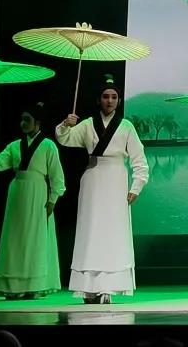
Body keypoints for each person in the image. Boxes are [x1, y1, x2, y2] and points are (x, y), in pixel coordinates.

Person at [56, 74, 149, 304]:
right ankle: (88, 288)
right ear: (99, 99)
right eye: (106, 97)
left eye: (114, 97)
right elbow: (65, 139)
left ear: (119, 101)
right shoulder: (87, 124)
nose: (110, 101)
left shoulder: (126, 126)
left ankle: (109, 287)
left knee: (113, 232)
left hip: (116, 180)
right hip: (93, 180)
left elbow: (140, 161)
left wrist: (136, 186)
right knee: (91, 231)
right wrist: (66, 124)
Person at [0, 101, 65, 299]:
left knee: (35, 239)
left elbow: (57, 177)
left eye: (27, 120)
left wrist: (53, 199)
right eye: (22, 120)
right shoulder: (14, 146)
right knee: (15, 238)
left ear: (37, 122)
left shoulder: (48, 145)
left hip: (38, 194)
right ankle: (13, 285)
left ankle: (34, 285)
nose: (23, 123)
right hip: (18, 193)